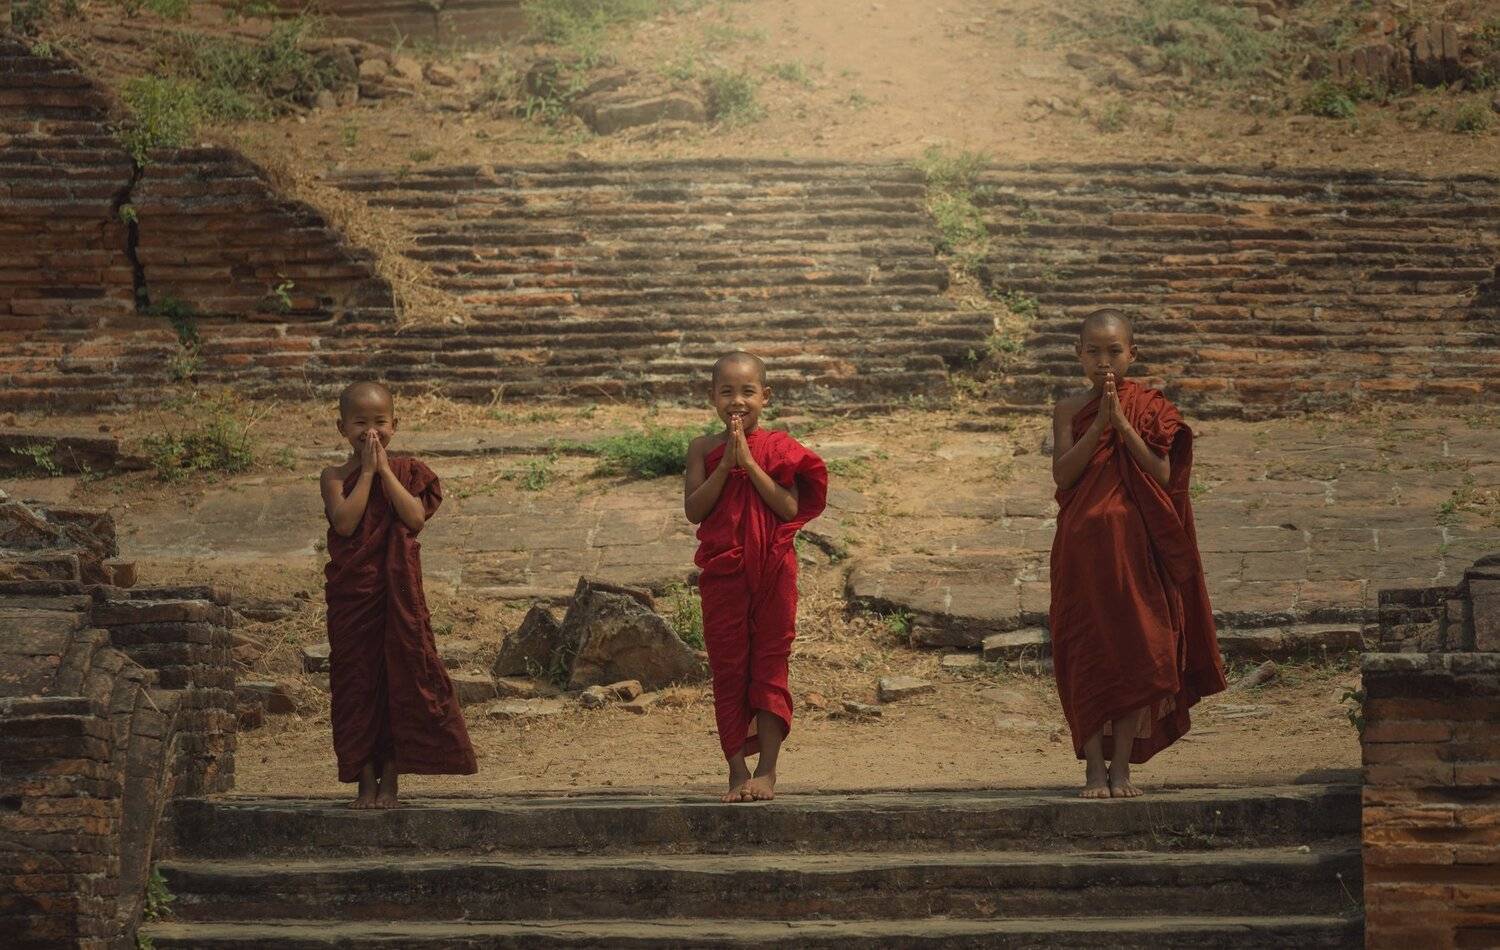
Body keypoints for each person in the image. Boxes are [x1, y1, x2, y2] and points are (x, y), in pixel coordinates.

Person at [1048, 310, 1226, 799]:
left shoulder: (1149, 407)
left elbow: (1163, 475)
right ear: (1077, 353)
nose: (1104, 361)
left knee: (1136, 651)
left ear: (1133, 353)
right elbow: (1064, 476)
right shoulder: (1068, 410)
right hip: (1082, 554)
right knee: (1084, 651)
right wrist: (1099, 421)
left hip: (1134, 551)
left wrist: (1122, 425)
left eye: (1114, 351)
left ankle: (1121, 767)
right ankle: (1092, 771)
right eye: (1093, 351)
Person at [320, 381, 476, 808]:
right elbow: (346, 524)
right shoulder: (334, 476)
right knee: (356, 682)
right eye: (359, 423)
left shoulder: (409, 472)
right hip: (355, 595)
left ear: (395, 425)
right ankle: (363, 779)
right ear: (340, 427)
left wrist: (384, 470)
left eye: (380, 422)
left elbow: (414, 518)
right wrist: (366, 472)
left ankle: (391, 777)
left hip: (398, 594)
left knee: (400, 677)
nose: (370, 432)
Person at [685, 352, 828, 802]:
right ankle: (735, 771)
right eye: (726, 391)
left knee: (769, 664)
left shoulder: (779, 449)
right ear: (712, 397)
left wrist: (749, 463)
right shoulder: (700, 449)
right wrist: (726, 464)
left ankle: (767, 771)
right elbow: (694, 510)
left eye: (747, 391)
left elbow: (789, 508)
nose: (737, 401)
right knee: (729, 669)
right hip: (724, 574)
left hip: (772, 571)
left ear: (765, 397)